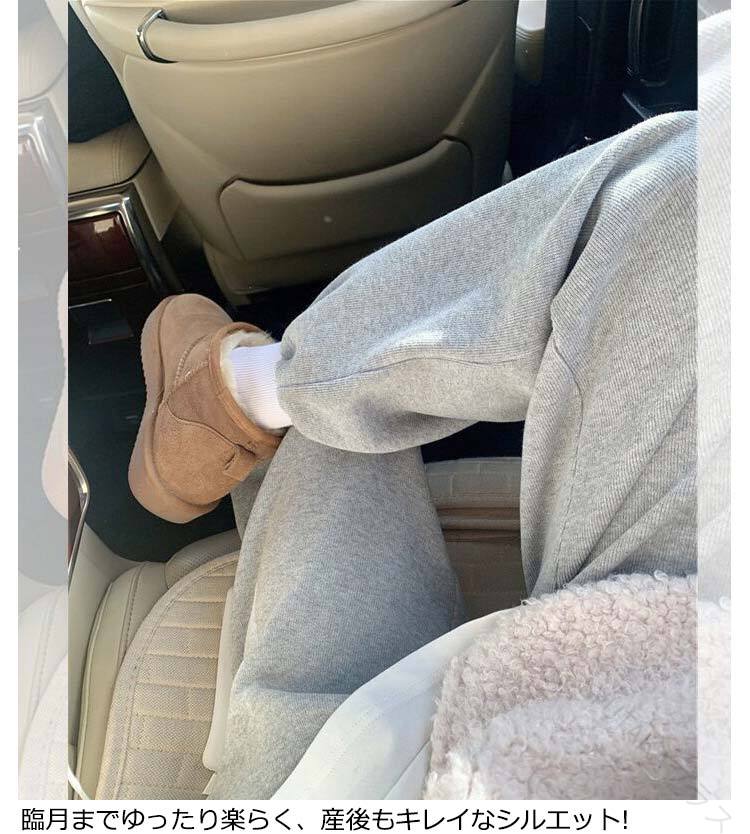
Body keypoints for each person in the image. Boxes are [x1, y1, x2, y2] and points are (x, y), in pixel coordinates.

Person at [128, 78, 697, 797]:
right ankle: (257, 393)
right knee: (700, 195)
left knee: (340, 421)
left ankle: (245, 393)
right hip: (662, 673)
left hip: (384, 781)